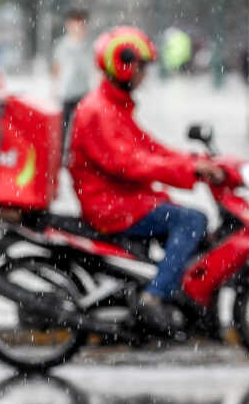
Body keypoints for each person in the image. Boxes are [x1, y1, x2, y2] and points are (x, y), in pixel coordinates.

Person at [67, 26, 223, 333]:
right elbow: (129, 164)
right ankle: (153, 297)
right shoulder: (100, 111)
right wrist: (189, 171)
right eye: (142, 67)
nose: (145, 75)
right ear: (125, 66)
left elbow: (150, 148)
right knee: (192, 220)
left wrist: (194, 161)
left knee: (185, 221)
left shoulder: (113, 106)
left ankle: (169, 291)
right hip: (111, 205)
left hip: (123, 199)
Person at [52, 6, 91, 138]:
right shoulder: (62, 46)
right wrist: (56, 88)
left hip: (86, 96)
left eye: (82, 23)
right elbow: (57, 69)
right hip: (67, 96)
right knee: (65, 131)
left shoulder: (90, 46)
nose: (78, 27)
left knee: (85, 132)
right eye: (75, 23)